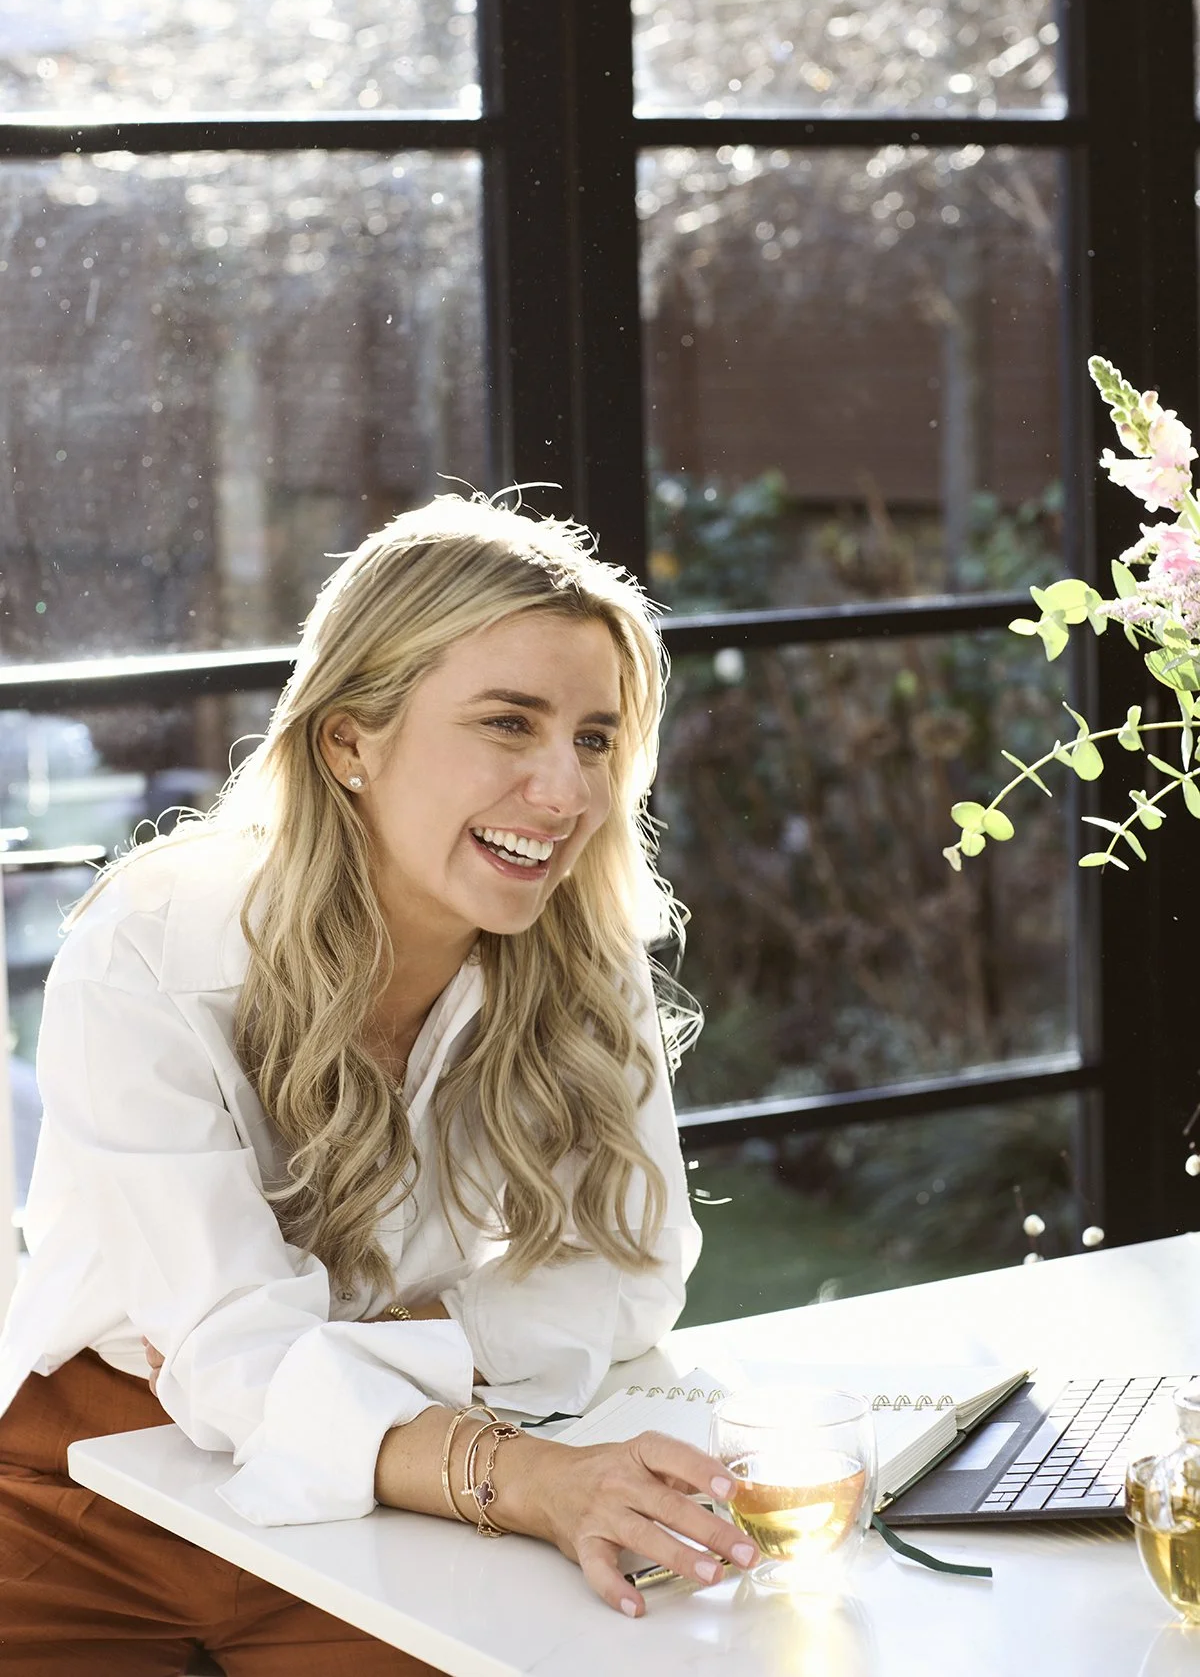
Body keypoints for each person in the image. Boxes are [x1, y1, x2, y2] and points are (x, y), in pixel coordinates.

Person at [0, 496, 759, 1674]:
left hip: (399, 1492)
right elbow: (223, 1352)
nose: (566, 793)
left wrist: (352, 1363)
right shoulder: (151, 942)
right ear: (349, 738)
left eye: (597, 738)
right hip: (88, 1486)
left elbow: (629, 1274)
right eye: (510, 723)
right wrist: (502, 1453)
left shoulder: (579, 949)